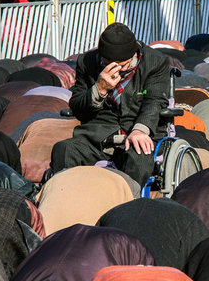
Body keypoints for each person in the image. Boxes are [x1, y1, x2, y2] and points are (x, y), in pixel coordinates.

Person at [50, 22, 170, 187]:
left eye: (123, 66)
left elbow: (155, 101)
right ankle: (69, 199)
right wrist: (99, 89)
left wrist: (140, 129)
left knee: (140, 157)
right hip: (97, 134)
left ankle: (128, 205)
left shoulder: (156, 62)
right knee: (64, 149)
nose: (118, 70)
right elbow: (77, 106)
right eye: (109, 65)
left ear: (134, 54)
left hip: (136, 130)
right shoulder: (87, 61)